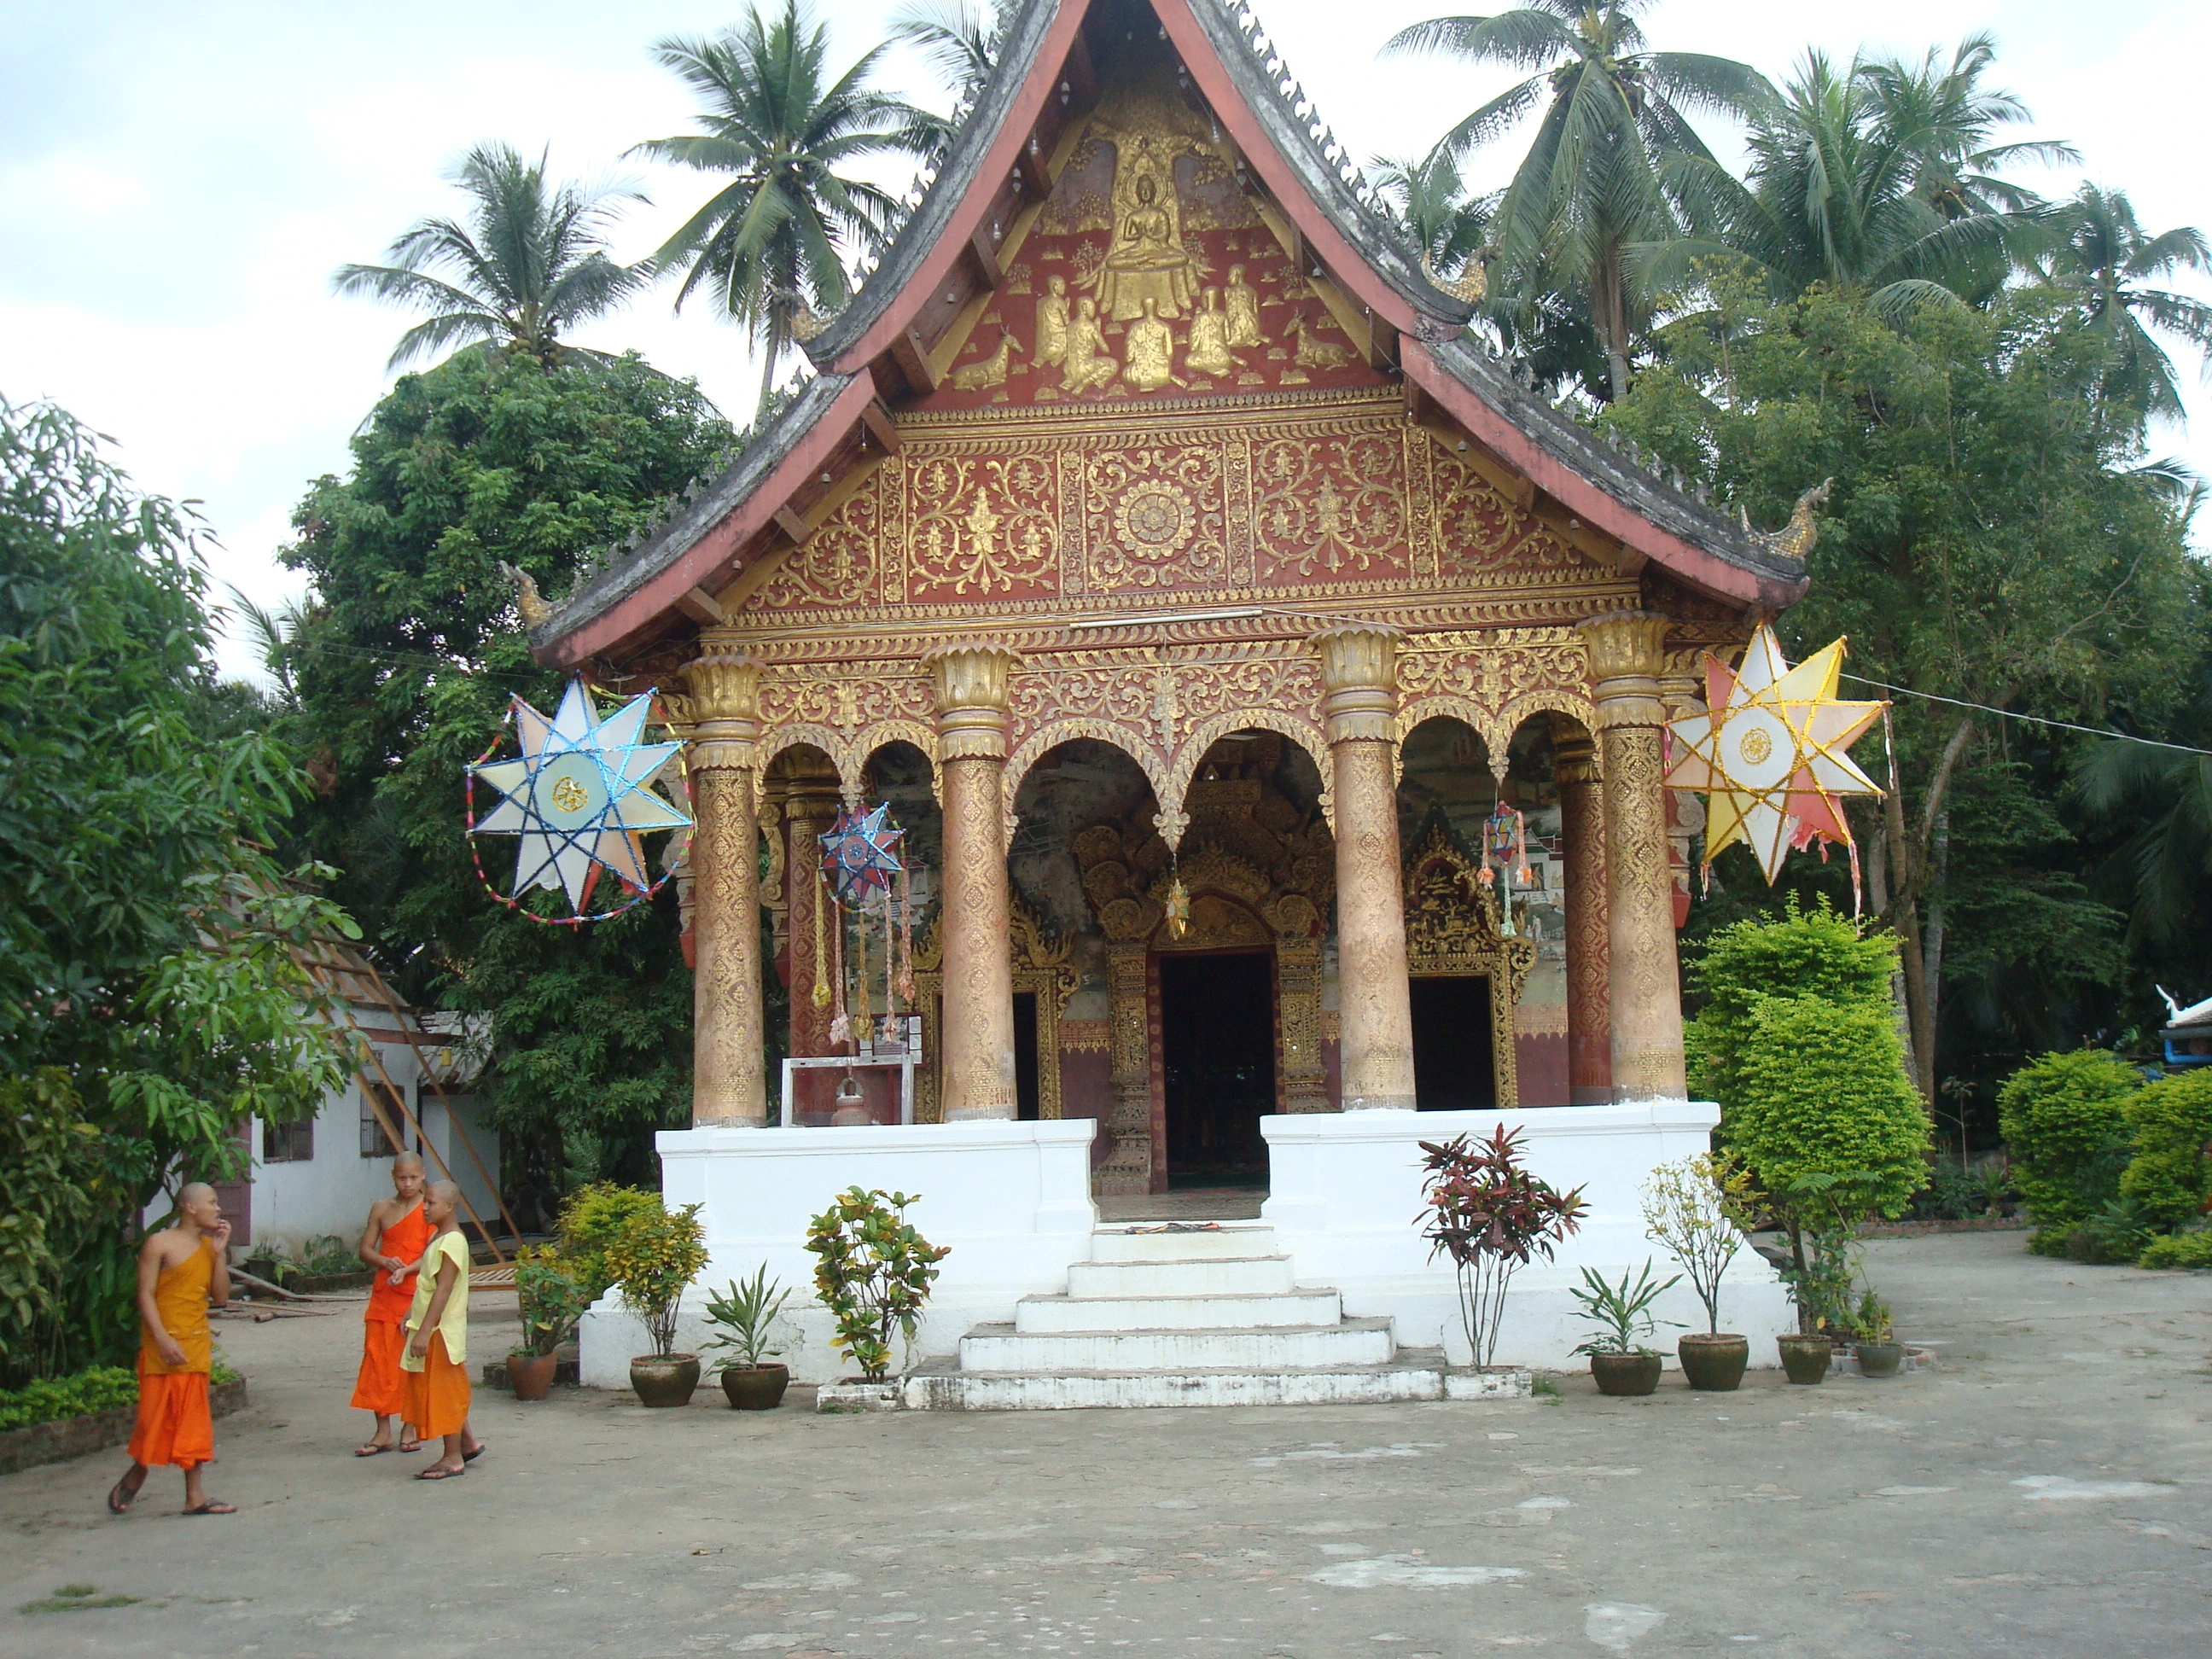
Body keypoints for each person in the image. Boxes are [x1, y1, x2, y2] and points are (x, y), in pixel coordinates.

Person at [108, 1182, 232, 1516]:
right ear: (190, 1207)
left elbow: (220, 1297)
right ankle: (139, 1469)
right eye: (212, 1202)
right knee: (154, 1419)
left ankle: (195, 1496)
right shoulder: (159, 1243)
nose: (218, 1209)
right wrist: (162, 1338)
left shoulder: (208, 1248)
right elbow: (145, 1294)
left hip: (194, 1342)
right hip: (162, 1344)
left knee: (193, 1420)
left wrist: (219, 1254)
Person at [401, 1181, 483, 1481]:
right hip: (432, 1325)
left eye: (431, 1203)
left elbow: (444, 1290)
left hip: (441, 1331)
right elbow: (429, 1285)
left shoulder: (452, 1242)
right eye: (425, 1202)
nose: (424, 1207)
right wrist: (412, 1315)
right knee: (442, 1387)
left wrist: (424, 1332)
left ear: (449, 1207)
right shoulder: (440, 1238)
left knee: (446, 1392)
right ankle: (467, 1443)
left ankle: (453, 1457)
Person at [350, 1152, 429, 1455]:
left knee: (411, 1363)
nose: (407, 1184)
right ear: (392, 1176)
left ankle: (409, 1428)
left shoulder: (429, 1209)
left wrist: (407, 1269)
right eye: (401, 1178)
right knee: (378, 1360)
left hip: (415, 1294)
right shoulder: (382, 1208)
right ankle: (382, 1431)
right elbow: (365, 1249)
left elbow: (435, 1254)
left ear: (422, 1175)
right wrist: (385, 1260)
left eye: (413, 1178)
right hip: (384, 1294)